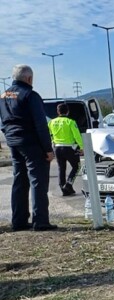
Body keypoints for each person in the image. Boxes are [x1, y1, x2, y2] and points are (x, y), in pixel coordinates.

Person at [0, 64, 57, 231]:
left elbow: (3, 122)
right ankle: (40, 221)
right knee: (38, 181)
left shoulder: (3, 96)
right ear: (29, 78)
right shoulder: (30, 95)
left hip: (13, 142)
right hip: (31, 143)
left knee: (19, 180)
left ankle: (19, 220)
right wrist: (48, 149)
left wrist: (10, 137)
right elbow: (41, 124)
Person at [48, 103, 83, 196]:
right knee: (77, 166)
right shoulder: (70, 122)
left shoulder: (51, 122)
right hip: (69, 148)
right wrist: (82, 147)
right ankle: (68, 184)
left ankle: (63, 187)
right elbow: (77, 136)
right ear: (67, 111)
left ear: (58, 112)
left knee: (61, 168)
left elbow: (49, 135)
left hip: (57, 148)